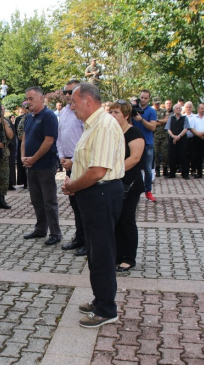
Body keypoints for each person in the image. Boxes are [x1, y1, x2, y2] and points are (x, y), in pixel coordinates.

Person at [62, 83, 125, 328]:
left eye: (74, 102)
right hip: (93, 195)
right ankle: (101, 300)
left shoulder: (104, 126)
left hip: (100, 193)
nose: (71, 107)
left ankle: (106, 309)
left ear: (88, 101)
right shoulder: (93, 125)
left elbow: (98, 171)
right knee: (95, 252)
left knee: (102, 253)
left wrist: (73, 186)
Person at [21, 87, 61, 246]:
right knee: (36, 199)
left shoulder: (49, 116)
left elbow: (49, 141)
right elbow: (24, 139)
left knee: (49, 201)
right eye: (27, 99)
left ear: (41, 98)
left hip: (45, 165)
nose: (28, 102)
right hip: (31, 166)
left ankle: (55, 233)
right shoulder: (29, 117)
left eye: (31, 98)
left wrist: (34, 158)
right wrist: (23, 157)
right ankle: (40, 228)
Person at [109, 100, 144, 272]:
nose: (113, 115)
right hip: (115, 181)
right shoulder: (111, 132)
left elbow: (135, 158)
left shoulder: (134, 133)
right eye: (111, 112)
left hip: (130, 182)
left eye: (116, 112)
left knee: (127, 220)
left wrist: (114, 170)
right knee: (116, 219)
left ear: (126, 115)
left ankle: (129, 258)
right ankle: (117, 254)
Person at [58, 79, 86, 257]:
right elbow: (59, 136)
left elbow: (87, 140)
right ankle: (79, 237)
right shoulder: (64, 112)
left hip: (82, 164)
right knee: (75, 204)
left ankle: (87, 241)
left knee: (84, 204)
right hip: (67, 162)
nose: (67, 95)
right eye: (65, 92)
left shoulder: (83, 112)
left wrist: (74, 160)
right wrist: (61, 155)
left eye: (71, 92)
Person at [132, 90, 158, 201]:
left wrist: (141, 120)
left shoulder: (152, 111)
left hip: (147, 143)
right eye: (141, 97)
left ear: (149, 99)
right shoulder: (133, 109)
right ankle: (133, 190)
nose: (143, 100)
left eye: (145, 98)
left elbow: (153, 127)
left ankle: (148, 191)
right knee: (133, 167)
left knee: (147, 169)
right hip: (134, 142)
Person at [165, 104, 191, 179]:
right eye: (177, 108)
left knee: (183, 156)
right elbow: (168, 128)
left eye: (180, 108)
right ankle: (172, 173)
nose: (178, 109)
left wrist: (178, 136)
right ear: (174, 109)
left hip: (182, 139)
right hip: (172, 139)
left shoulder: (185, 118)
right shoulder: (171, 118)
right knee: (172, 156)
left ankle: (185, 173)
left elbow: (186, 128)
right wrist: (173, 136)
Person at [190, 103, 204, 179]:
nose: (203, 110)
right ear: (198, 109)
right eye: (202, 108)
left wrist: (203, 133)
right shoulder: (194, 118)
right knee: (197, 156)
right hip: (196, 138)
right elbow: (191, 128)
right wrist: (198, 134)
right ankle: (199, 173)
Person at [153, 97, 169, 177]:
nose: (157, 105)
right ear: (153, 103)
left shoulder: (164, 111)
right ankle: (157, 169)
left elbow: (167, 121)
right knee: (156, 153)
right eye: (156, 103)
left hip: (164, 135)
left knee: (165, 153)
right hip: (155, 135)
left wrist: (157, 121)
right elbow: (152, 123)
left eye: (159, 103)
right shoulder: (152, 111)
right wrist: (161, 122)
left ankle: (165, 169)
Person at [16, 103, 28, 189]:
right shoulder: (21, 119)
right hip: (24, 144)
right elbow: (19, 135)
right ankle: (25, 182)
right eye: (26, 108)